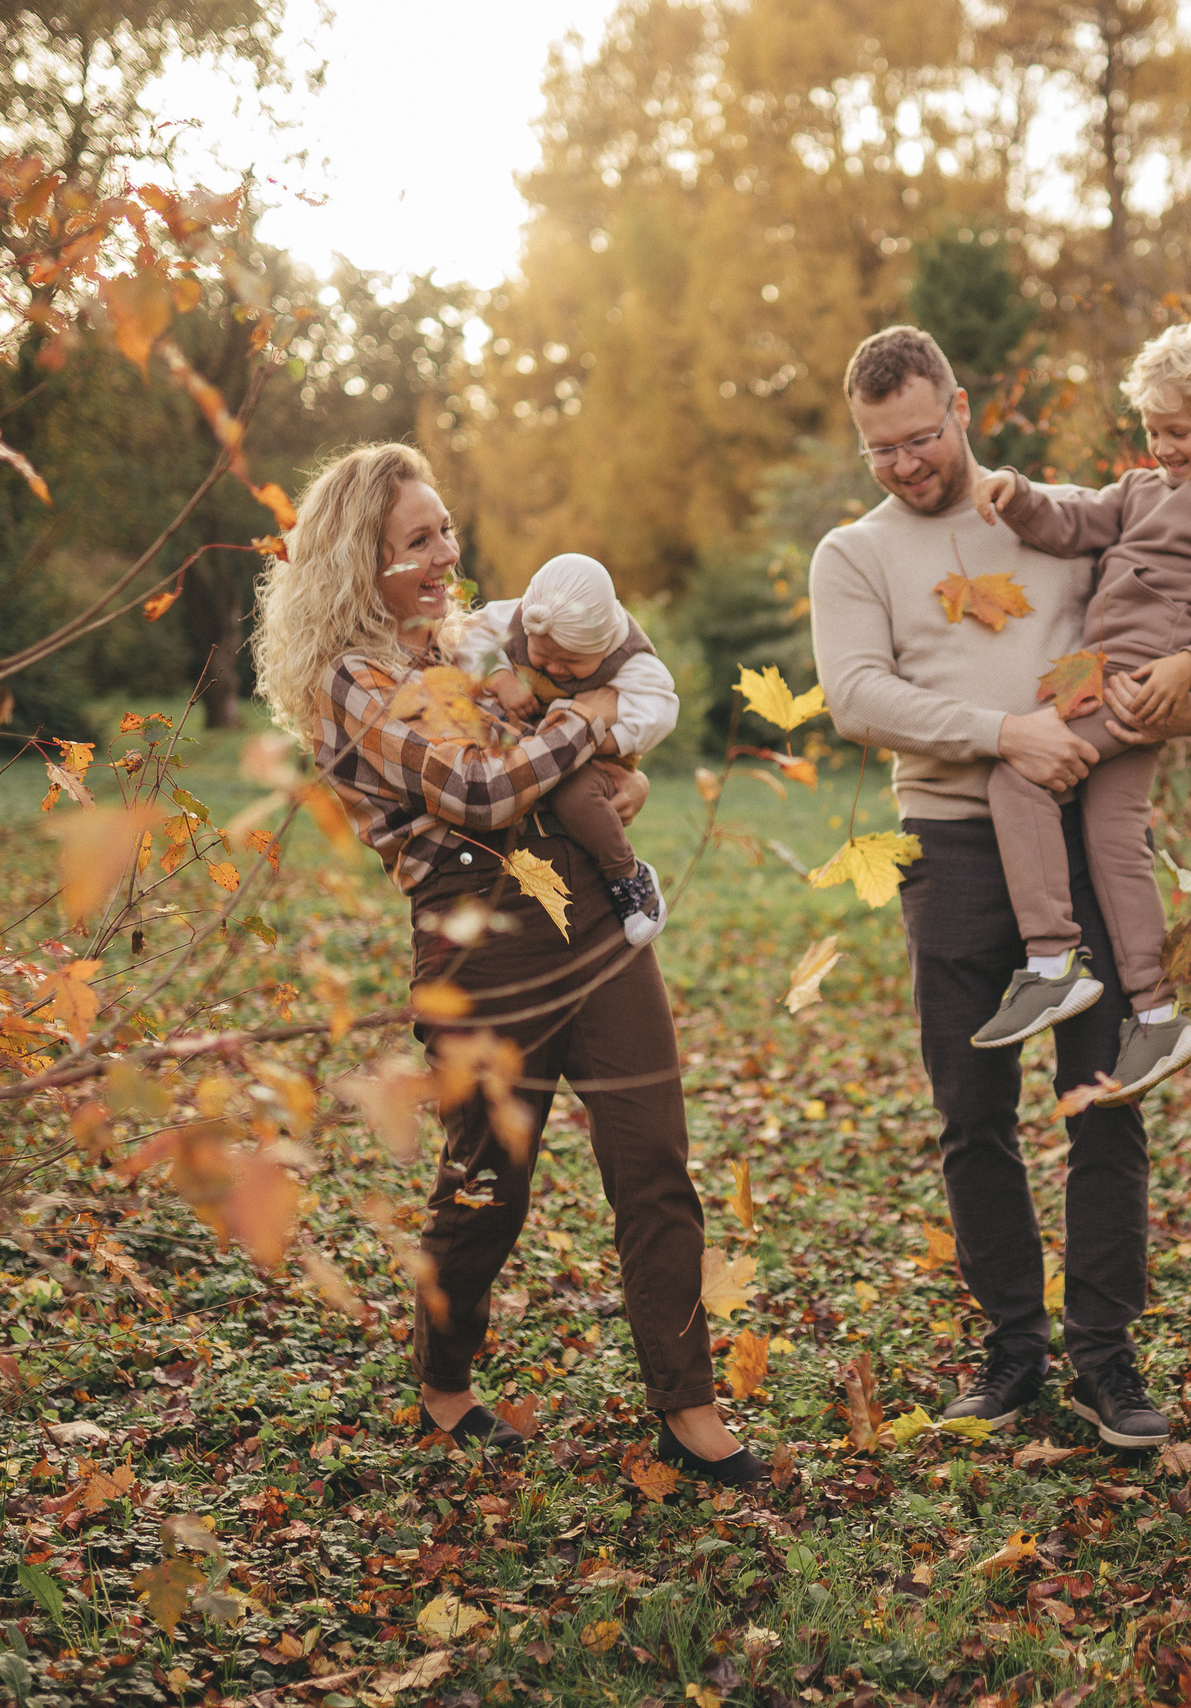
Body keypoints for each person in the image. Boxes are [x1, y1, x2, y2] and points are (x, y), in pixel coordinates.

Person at [250, 442, 761, 1487]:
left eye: (446, 529)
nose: (449, 552)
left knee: (654, 1160)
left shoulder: (470, 639)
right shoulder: (353, 681)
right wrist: (586, 722)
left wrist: (619, 768)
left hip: (593, 916)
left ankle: (689, 1404)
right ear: (360, 560)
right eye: (420, 538)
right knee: (489, 1184)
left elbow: (581, 744)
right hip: (477, 941)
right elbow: (479, 793)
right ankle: (444, 1381)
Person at [808, 326, 1191, 1450]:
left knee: (1105, 1103)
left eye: (921, 436)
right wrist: (1005, 733)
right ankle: (1013, 1351)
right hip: (949, 851)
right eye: (881, 448)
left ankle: (1105, 1358)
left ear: (962, 409)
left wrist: (1186, 698)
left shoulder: (1068, 520)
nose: (905, 463)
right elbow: (856, 696)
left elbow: (1167, 636)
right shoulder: (854, 554)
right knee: (972, 1115)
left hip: (1082, 845)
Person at [966, 320, 1191, 1098]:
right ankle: (1156, 1014)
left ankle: (1051, 961)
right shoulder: (1140, 490)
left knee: (1017, 777)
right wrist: (1017, 493)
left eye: (1179, 431)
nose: (1163, 446)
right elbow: (1073, 525)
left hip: (1138, 680)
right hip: (1097, 671)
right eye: (1152, 429)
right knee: (1115, 841)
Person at [448, 551, 680, 947]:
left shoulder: (629, 659)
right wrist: (501, 678)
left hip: (594, 762)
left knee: (574, 797)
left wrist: (599, 739)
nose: (554, 669)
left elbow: (659, 710)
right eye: (542, 656)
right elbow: (471, 635)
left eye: (571, 662)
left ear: (605, 644)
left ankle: (628, 876)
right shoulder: (514, 620)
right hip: (529, 752)